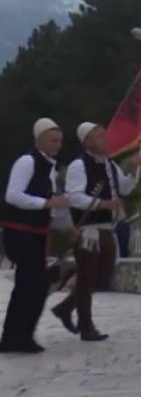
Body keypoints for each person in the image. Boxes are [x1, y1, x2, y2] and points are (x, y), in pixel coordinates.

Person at [50, 122, 138, 341]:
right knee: (88, 275)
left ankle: (65, 307)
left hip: (107, 227)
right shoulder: (78, 166)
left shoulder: (110, 164)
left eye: (104, 136)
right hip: (87, 229)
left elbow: (125, 188)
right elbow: (75, 196)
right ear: (86, 141)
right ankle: (86, 325)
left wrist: (134, 171)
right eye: (99, 137)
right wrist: (103, 204)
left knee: (102, 274)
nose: (105, 140)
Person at [0, 118, 76, 354]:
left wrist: (67, 224)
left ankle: (21, 336)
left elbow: (52, 204)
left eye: (60, 141)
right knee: (30, 284)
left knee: (35, 285)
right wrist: (46, 202)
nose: (57, 145)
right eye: (53, 140)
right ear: (39, 140)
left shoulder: (49, 168)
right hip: (21, 233)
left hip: (37, 234)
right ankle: (14, 337)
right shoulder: (27, 162)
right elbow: (13, 195)